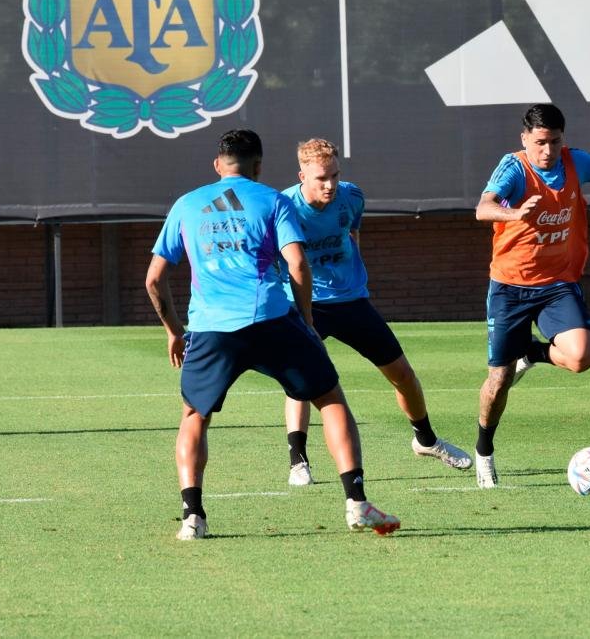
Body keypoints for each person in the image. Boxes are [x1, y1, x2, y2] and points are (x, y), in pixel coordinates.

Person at [145, 129, 400, 540]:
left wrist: (175, 331)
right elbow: (298, 265)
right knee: (330, 398)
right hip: (270, 318)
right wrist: (306, 321)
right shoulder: (273, 200)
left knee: (194, 416)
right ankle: (357, 504)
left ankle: (193, 517)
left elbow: (154, 279)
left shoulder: (187, 205)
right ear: (259, 166)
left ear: (217, 165)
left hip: (211, 327)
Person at [278, 138, 471, 487]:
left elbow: (352, 234)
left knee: (403, 374)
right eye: (321, 178)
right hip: (306, 305)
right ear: (301, 174)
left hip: (351, 301)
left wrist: (353, 280)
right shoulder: (282, 207)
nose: (330, 184)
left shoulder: (352, 197)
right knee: (299, 383)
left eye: (335, 175)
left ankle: (426, 440)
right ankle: (298, 461)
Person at [473, 103, 590, 488]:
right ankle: (484, 451)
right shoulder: (513, 168)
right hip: (510, 286)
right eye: (540, 142)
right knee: (499, 379)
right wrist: (514, 215)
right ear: (525, 139)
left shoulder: (574, 162)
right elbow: (483, 209)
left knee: (581, 357)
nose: (547, 150)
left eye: (554, 141)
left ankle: (534, 352)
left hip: (558, 284)